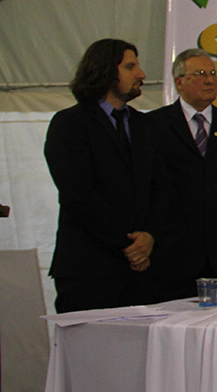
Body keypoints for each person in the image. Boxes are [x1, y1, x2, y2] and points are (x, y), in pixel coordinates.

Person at [44, 39, 167, 312]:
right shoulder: (70, 124)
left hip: (140, 272)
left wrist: (149, 236)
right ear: (105, 71)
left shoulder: (145, 126)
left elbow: (162, 188)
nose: (142, 74)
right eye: (130, 66)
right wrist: (129, 245)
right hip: (88, 270)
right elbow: (78, 195)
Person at [151, 49, 217, 299]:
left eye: (212, 74)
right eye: (200, 74)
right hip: (173, 256)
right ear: (179, 82)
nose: (209, 80)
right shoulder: (155, 126)